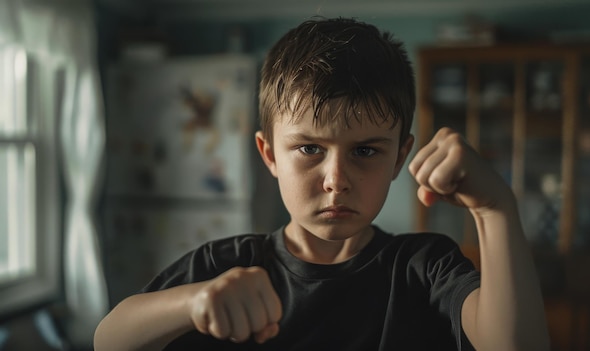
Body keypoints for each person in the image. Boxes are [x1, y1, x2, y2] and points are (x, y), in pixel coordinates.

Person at [94, 17, 550, 351]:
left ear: (399, 157)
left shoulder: (424, 268)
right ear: (270, 155)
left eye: (365, 151)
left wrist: (495, 209)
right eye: (310, 149)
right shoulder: (226, 267)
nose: (336, 181)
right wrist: (193, 302)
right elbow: (108, 340)